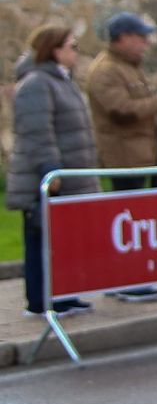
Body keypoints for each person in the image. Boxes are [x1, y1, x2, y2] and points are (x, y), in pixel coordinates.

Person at [84, 12, 157, 303]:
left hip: (140, 155)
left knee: (137, 220)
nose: (144, 42)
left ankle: (130, 276)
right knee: (125, 223)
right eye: (139, 37)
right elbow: (122, 110)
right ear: (123, 37)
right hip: (122, 158)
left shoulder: (129, 68)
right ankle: (124, 279)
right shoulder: (106, 71)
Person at [8, 25, 98, 319]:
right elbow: (38, 133)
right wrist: (52, 171)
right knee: (41, 240)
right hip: (48, 178)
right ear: (55, 50)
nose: (76, 52)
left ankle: (63, 294)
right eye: (72, 46)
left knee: (62, 239)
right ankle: (41, 301)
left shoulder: (60, 80)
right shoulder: (37, 83)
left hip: (70, 176)